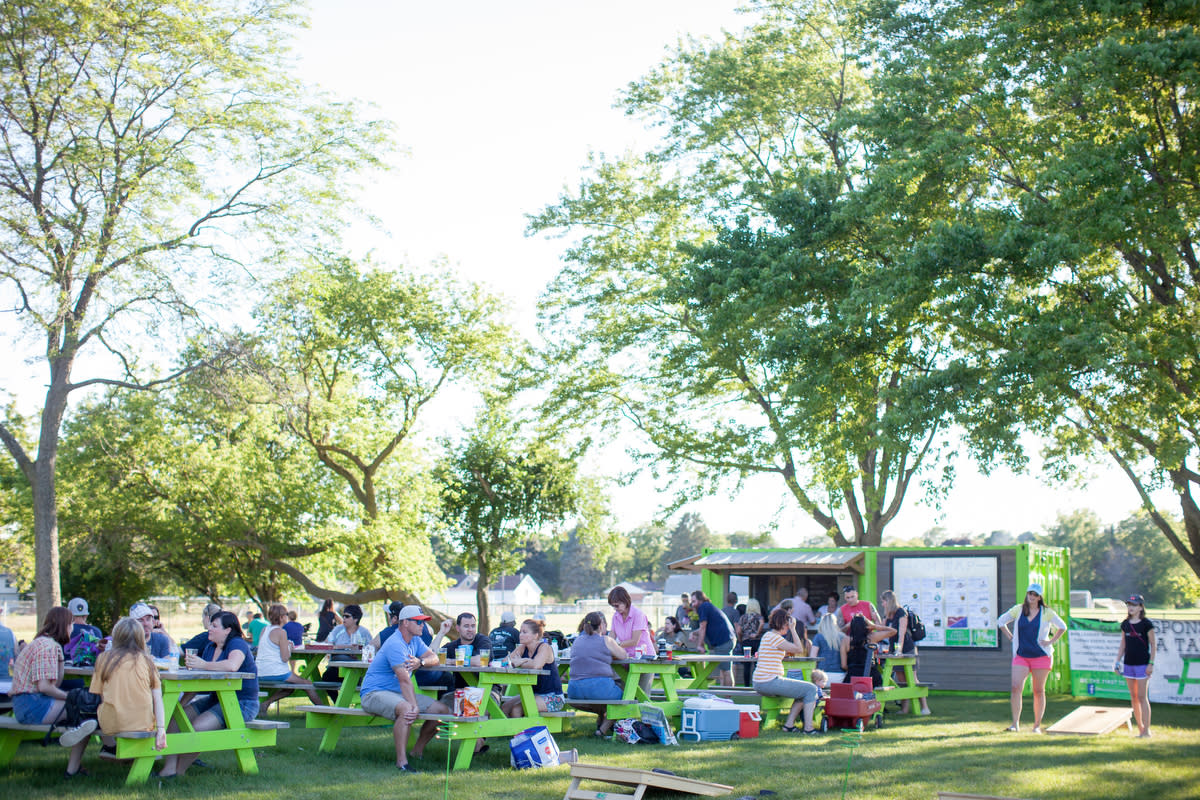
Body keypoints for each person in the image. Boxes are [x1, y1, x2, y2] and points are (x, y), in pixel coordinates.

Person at [159, 611, 260, 777]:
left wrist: (204, 665)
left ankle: (179, 771)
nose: (209, 629)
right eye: (210, 625)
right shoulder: (210, 647)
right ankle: (168, 769)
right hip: (215, 699)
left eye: (214, 626)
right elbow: (198, 682)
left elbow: (232, 665)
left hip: (242, 703)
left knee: (197, 728)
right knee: (175, 719)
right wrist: (179, 706)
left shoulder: (236, 644)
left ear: (227, 630)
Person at [358, 605, 449, 773]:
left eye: (423, 622)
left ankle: (417, 752)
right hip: (374, 693)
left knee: (441, 709)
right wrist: (413, 705)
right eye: (418, 622)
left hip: (396, 692)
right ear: (405, 623)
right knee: (407, 709)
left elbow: (434, 657)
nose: (423, 626)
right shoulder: (395, 643)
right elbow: (404, 680)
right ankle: (402, 763)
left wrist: (420, 662)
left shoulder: (415, 639)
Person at [9, 607, 97, 776]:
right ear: (64, 625)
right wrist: (70, 698)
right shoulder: (47, 647)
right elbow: (45, 687)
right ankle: (74, 768)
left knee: (85, 713)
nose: (72, 628)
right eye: (71, 624)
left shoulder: (44, 643)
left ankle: (76, 738)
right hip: (32, 705)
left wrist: (61, 659)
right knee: (87, 709)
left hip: (25, 704)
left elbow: (55, 683)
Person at [90, 617, 167, 761]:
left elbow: (99, 694)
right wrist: (161, 729)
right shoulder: (148, 660)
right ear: (141, 637)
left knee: (93, 707)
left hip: (110, 722)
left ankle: (110, 746)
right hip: (143, 723)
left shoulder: (103, 658)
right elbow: (157, 698)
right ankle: (126, 753)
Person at [996, 584, 1066, 733]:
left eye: (1035, 594)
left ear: (1039, 597)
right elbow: (1001, 621)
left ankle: (1036, 726)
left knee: (1038, 690)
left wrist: (1050, 641)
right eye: (1030, 593)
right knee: (1015, 687)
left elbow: (1062, 627)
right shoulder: (1018, 609)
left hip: (1041, 656)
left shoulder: (1046, 612)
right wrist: (1010, 637)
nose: (1032, 596)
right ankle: (1015, 724)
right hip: (1021, 655)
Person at [753, 607, 821, 734]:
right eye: (787, 624)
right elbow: (798, 649)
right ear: (782, 623)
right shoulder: (775, 638)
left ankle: (789, 726)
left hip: (762, 681)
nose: (788, 627)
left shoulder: (768, 636)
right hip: (769, 681)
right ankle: (808, 728)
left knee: (804, 691)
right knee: (811, 689)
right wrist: (794, 629)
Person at [565, 611, 628, 736]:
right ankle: (602, 730)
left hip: (574, 691)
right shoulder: (606, 640)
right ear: (601, 626)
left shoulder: (577, 641)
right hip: (598, 689)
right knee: (626, 698)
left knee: (603, 699)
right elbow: (624, 655)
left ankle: (601, 721)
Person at [257, 603, 322, 711]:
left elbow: (267, 648)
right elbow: (285, 658)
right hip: (276, 672)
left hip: (260, 671)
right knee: (307, 683)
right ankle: (324, 711)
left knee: (291, 686)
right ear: (282, 617)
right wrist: (289, 647)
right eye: (286, 615)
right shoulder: (281, 632)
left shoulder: (264, 630)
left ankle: (265, 704)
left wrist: (285, 645)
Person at [879, 590, 931, 714]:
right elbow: (881, 629)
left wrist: (899, 650)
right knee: (901, 680)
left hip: (906, 648)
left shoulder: (901, 613)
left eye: (883, 601)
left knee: (912, 679)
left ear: (889, 601)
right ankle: (905, 709)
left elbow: (901, 633)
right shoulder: (888, 615)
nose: (882, 604)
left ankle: (924, 707)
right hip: (893, 649)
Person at [503, 618, 565, 716]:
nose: (520, 635)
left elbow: (536, 665)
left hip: (554, 697)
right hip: (533, 694)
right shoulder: (522, 648)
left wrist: (520, 662)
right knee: (505, 707)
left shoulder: (544, 647)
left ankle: (522, 731)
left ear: (535, 635)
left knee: (516, 709)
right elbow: (504, 663)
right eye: (520, 632)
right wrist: (523, 661)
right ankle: (506, 731)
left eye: (524, 632)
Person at [1115, 593, 1156, 738]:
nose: (1130, 608)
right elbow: (1123, 644)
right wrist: (1118, 661)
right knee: (1133, 696)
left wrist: (1151, 664)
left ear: (1140, 607)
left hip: (1143, 664)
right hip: (1128, 664)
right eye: (1129, 605)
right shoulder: (1125, 624)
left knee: (1142, 696)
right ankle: (1140, 728)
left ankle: (1147, 731)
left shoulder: (1147, 624)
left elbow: (1153, 644)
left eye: (1134, 605)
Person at [689, 590, 736, 687]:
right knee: (723, 670)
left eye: (694, 601)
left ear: (701, 600)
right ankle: (725, 696)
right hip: (727, 639)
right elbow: (703, 627)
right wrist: (694, 633)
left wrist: (700, 646)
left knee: (726, 671)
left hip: (724, 641)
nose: (692, 604)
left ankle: (728, 698)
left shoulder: (703, 607)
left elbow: (703, 627)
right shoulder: (707, 606)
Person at [320, 604, 371, 686]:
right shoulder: (338, 629)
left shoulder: (364, 632)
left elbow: (371, 649)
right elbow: (327, 644)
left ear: (356, 619)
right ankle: (337, 699)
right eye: (343, 616)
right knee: (325, 680)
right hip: (336, 668)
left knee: (356, 681)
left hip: (356, 670)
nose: (343, 618)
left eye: (347, 616)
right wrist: (348, 647)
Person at [840, 614, 895, 687]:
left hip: (853, 675)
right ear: (866, 626)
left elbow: (843, 665)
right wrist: (874, 626)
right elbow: (893, 631)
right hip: (871, 674)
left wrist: (847, 626)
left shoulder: (845, 640)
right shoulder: (872, 637)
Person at [736, 598, 765, 686]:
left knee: (747, 665)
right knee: (757, 664)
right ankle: (757, 683)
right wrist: (757, 633)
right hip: (756, 642)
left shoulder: (743, 617)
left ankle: (746, 686)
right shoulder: (759, 616)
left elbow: (738, 631)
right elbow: (762, 623)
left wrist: (741, 640)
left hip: (746, 643)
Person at [812, 611, 845, 682]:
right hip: (840, 675)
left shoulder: (818, 637)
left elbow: (812, 657)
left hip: (821, 676)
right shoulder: (842, 637)